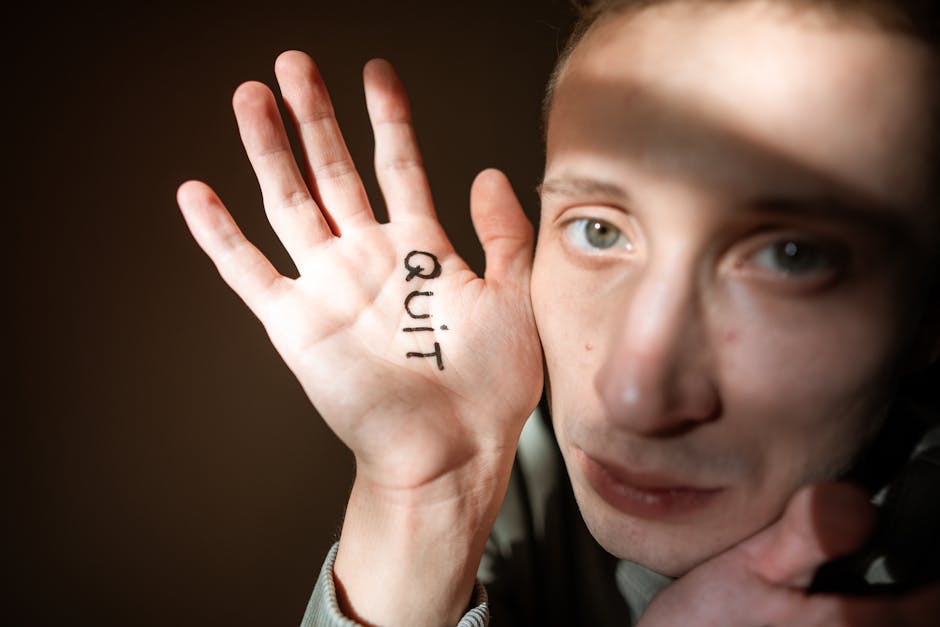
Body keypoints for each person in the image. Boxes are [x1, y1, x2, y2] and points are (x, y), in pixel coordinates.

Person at [177, 0, 940, 624]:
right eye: (600, 230)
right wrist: (423, 502)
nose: (634, 395)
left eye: (790, 255)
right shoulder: (516, 463)